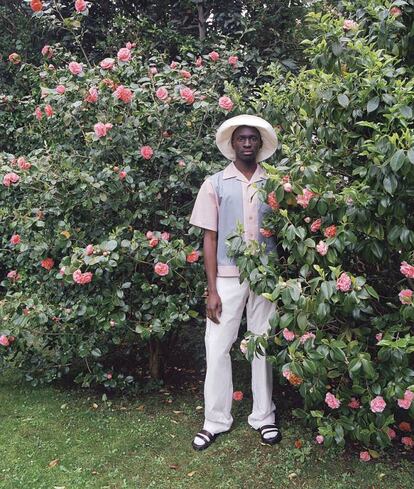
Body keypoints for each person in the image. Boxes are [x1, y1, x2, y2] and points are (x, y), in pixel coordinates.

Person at [189, 114, 282, 451]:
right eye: (241, 138)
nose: (246, 143)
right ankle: (215, 420)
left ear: (259, 144)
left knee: (262, 343)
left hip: (266, 276)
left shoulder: (273, 182)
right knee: (217, 346)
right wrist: (212, 289)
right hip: (227, 279)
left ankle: (263, 417)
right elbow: (209, 239)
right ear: (232, 144)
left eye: (252, 138)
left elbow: (285, 232)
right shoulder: (214, 183)